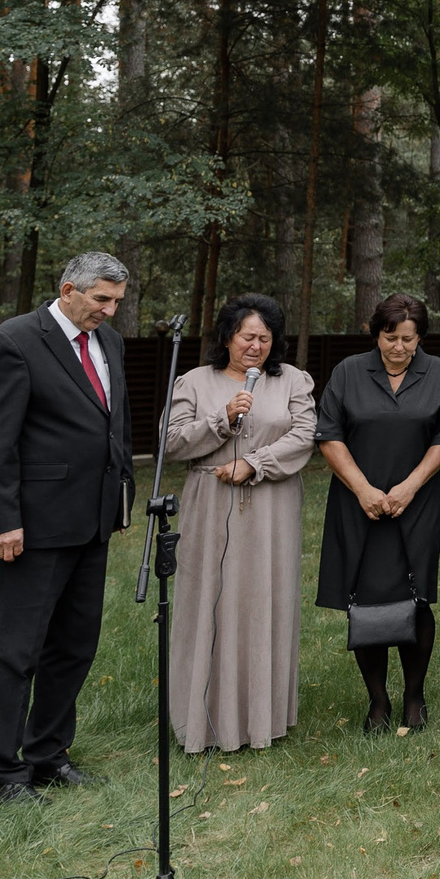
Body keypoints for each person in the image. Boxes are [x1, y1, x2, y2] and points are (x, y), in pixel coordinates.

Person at [0, 252, 134, 804]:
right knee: (16, 650)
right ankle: (3, 772)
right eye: (101, 299)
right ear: (69, 289)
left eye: (116, 302)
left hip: (92, 525)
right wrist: (1, 520)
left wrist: (121, 501)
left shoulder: (109, 344)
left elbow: (116, 427)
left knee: (74, 646)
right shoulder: (15, 342)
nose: (109, 312)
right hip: (32, 530)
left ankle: (48, 756)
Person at [165, 293, 316, 753]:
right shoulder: (194, 381)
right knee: (209, 601)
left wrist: (255, 462)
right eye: (247, 336)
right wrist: (222, 419)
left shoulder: (292, 380)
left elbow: (306, 433)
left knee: (265, 603)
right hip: (209, 504)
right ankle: (203, 722)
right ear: (227, 337)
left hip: (273, 507)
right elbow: (171, 443)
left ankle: (261, 721)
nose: (256, 346)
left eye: (265, 338)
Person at [316, 293, 440, 732]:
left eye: (408, 339)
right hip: (358, 504)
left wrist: (410, 487)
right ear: (375, 333)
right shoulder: (348, 372)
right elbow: (329, 434)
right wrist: (363, 489)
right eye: (390, 337)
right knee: (368, 600)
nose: (399, 347)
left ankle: (414, 697)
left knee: (416, 599)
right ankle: (377, 702)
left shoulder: (439, 373)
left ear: (421, 338)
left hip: (417, 504)